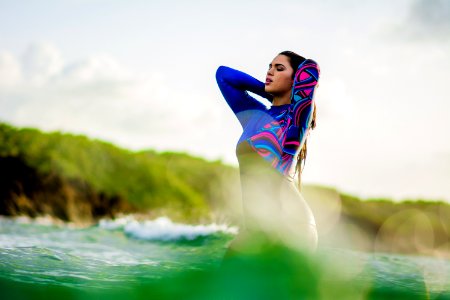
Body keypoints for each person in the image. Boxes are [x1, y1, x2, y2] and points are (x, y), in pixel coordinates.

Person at [215, 51, 320, 256]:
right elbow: (223, 75)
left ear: (296, 79)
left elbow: (311, 70)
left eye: (279, 69)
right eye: (269, 67)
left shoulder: (296, 119)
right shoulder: (255, 115)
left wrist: (292, 91)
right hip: (256, 228)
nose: (270, 72)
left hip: (290, 223)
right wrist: (268, 92)